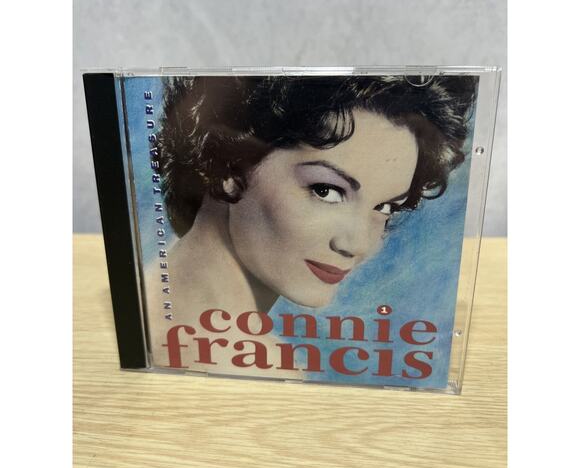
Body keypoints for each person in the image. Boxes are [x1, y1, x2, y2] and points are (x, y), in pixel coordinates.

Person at [147, 75, 476, 373]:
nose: (358, 244)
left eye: (385, 207)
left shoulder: (145, 300)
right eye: (326, 190)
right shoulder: (256, 368)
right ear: (228, 166)